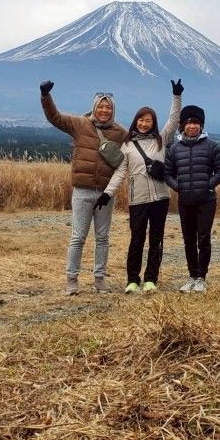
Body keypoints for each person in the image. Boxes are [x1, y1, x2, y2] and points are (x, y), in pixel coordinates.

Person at [39, 80, 127, 295]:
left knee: (103, 238)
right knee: (78, 237)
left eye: (108, 107)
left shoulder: (120, 132)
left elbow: (143, 141)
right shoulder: (80, 124)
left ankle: (99, 280)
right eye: (101, 106)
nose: (104, 110)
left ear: (113, 110)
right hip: (82, 191)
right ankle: (72, 280)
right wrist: (45, 96)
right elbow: (55, 117)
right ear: (94, 107)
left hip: (105, 194)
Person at [102, 79, 184, 294]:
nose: (144, 124)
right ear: (135, 121)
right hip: (137, 200)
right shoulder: (127, 145)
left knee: (156, 239)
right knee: (136, 239)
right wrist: (108, 193)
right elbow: (120, 171)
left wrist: (177, 97)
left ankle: (150, 279)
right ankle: (132, 280)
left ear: (153, 123)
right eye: (141, 120)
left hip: (160, 199)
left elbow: (174, 121)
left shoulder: (161, 140)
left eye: (148, 120)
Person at [164, 105, 220, 293]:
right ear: (182, 125)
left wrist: (208, 184)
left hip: (206, 201)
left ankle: (201, 277)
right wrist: (177, 186)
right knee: (188, 239)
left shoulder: (211, 146)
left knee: (204, 238)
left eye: (196, 123)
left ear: (201, 125)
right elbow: (168, 173)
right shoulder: (175, 148)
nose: (192, 126)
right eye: (189, 123)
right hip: (185, 201)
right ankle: (192, 276)